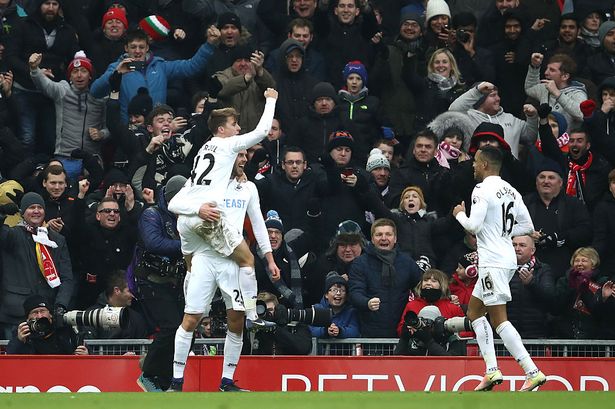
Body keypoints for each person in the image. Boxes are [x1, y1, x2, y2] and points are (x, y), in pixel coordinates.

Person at [168, 147, 281, 392]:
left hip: (232, 261)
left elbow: (259, 224)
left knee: (236, 320)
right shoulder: (203, 183)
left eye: (244, 156)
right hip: (205, 258)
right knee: (191, 318)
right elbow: (177, 206)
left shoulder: (249, 188)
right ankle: (176, 381)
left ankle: (227, 381)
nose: (243, 160)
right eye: (239, 155)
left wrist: (270, 259)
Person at [168, 88, 279, 328]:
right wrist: (270, 100)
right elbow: (261, 132)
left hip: (197, 227)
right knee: (247, 260)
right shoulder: (226, 147)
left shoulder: (204, 155)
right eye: (234, 125)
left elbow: (258, 222)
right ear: (222, 130)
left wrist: (270, 259)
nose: (238, 129)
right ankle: (252, 315)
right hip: (211, 228)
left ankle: (200, 310)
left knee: (193, 272)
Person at [452, 145, 546, 391]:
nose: (472, 165)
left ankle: (532, 371)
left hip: (493, 260)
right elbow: (526, 225)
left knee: (499, 320)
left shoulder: (481, 189)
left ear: (484, 164)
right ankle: (491, 370)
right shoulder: (511, 191)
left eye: (475, 161)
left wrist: (460, 214)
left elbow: (472, 226)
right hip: (505, 259)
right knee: (474, 313)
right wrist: (501, 232)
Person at [0, 192, 74, 339]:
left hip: (46, 315)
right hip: (16, 315)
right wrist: (1, 213)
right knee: (16, 360)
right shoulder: (12, 235)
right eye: (31, 207)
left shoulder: (57, 240)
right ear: (22, 212)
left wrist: (60, 305)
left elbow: (67, 278)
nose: (36, 211)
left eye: (39, 207)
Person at [348, 218, 421, 338]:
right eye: (379, 234)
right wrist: (367, 303)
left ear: (395, 238)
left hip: (402, 331)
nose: (383, 238)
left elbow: (420, 288)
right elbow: (355, 292)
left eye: (388, 234)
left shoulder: (407, 262)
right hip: (370, 333)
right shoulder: (360, 263)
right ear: (372, 239)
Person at [394, 269, 467, 356]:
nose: (428, 283)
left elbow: (464, 331)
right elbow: (401, 329)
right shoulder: (412, 305)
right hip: (416, 352)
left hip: (444, 352)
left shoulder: (452, 308)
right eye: (425, 280)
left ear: (442, 285)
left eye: (434, 281)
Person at [6, 294, 88, 355]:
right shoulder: (23, 332)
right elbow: (9, 358)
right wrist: (19, 341)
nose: (39, 316)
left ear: (50, 314)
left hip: (63, 372)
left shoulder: (65, 329)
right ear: (27, 318)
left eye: (42, 311)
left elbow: (84, 354)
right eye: (35, 312)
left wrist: (86, 354)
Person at [525, 53, 587, 131]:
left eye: (552, 70)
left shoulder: (578, 93)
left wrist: (558, 94)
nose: (546, 73)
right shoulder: (545, 88)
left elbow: (582, 115)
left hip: (567, 141)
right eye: (547, 68)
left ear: (565, 76)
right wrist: (535, 67)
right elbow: (530, 88)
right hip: (544, 140)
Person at [309, 272, 360, 353]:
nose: (338, 293)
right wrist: (326, 331)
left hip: (344, 358)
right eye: (334, 290)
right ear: (326, 294)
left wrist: (340, 331)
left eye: (342, 290)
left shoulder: (351, 311)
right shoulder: (317, 309)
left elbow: (355, 330)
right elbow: (310, 329)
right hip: (320, 357)